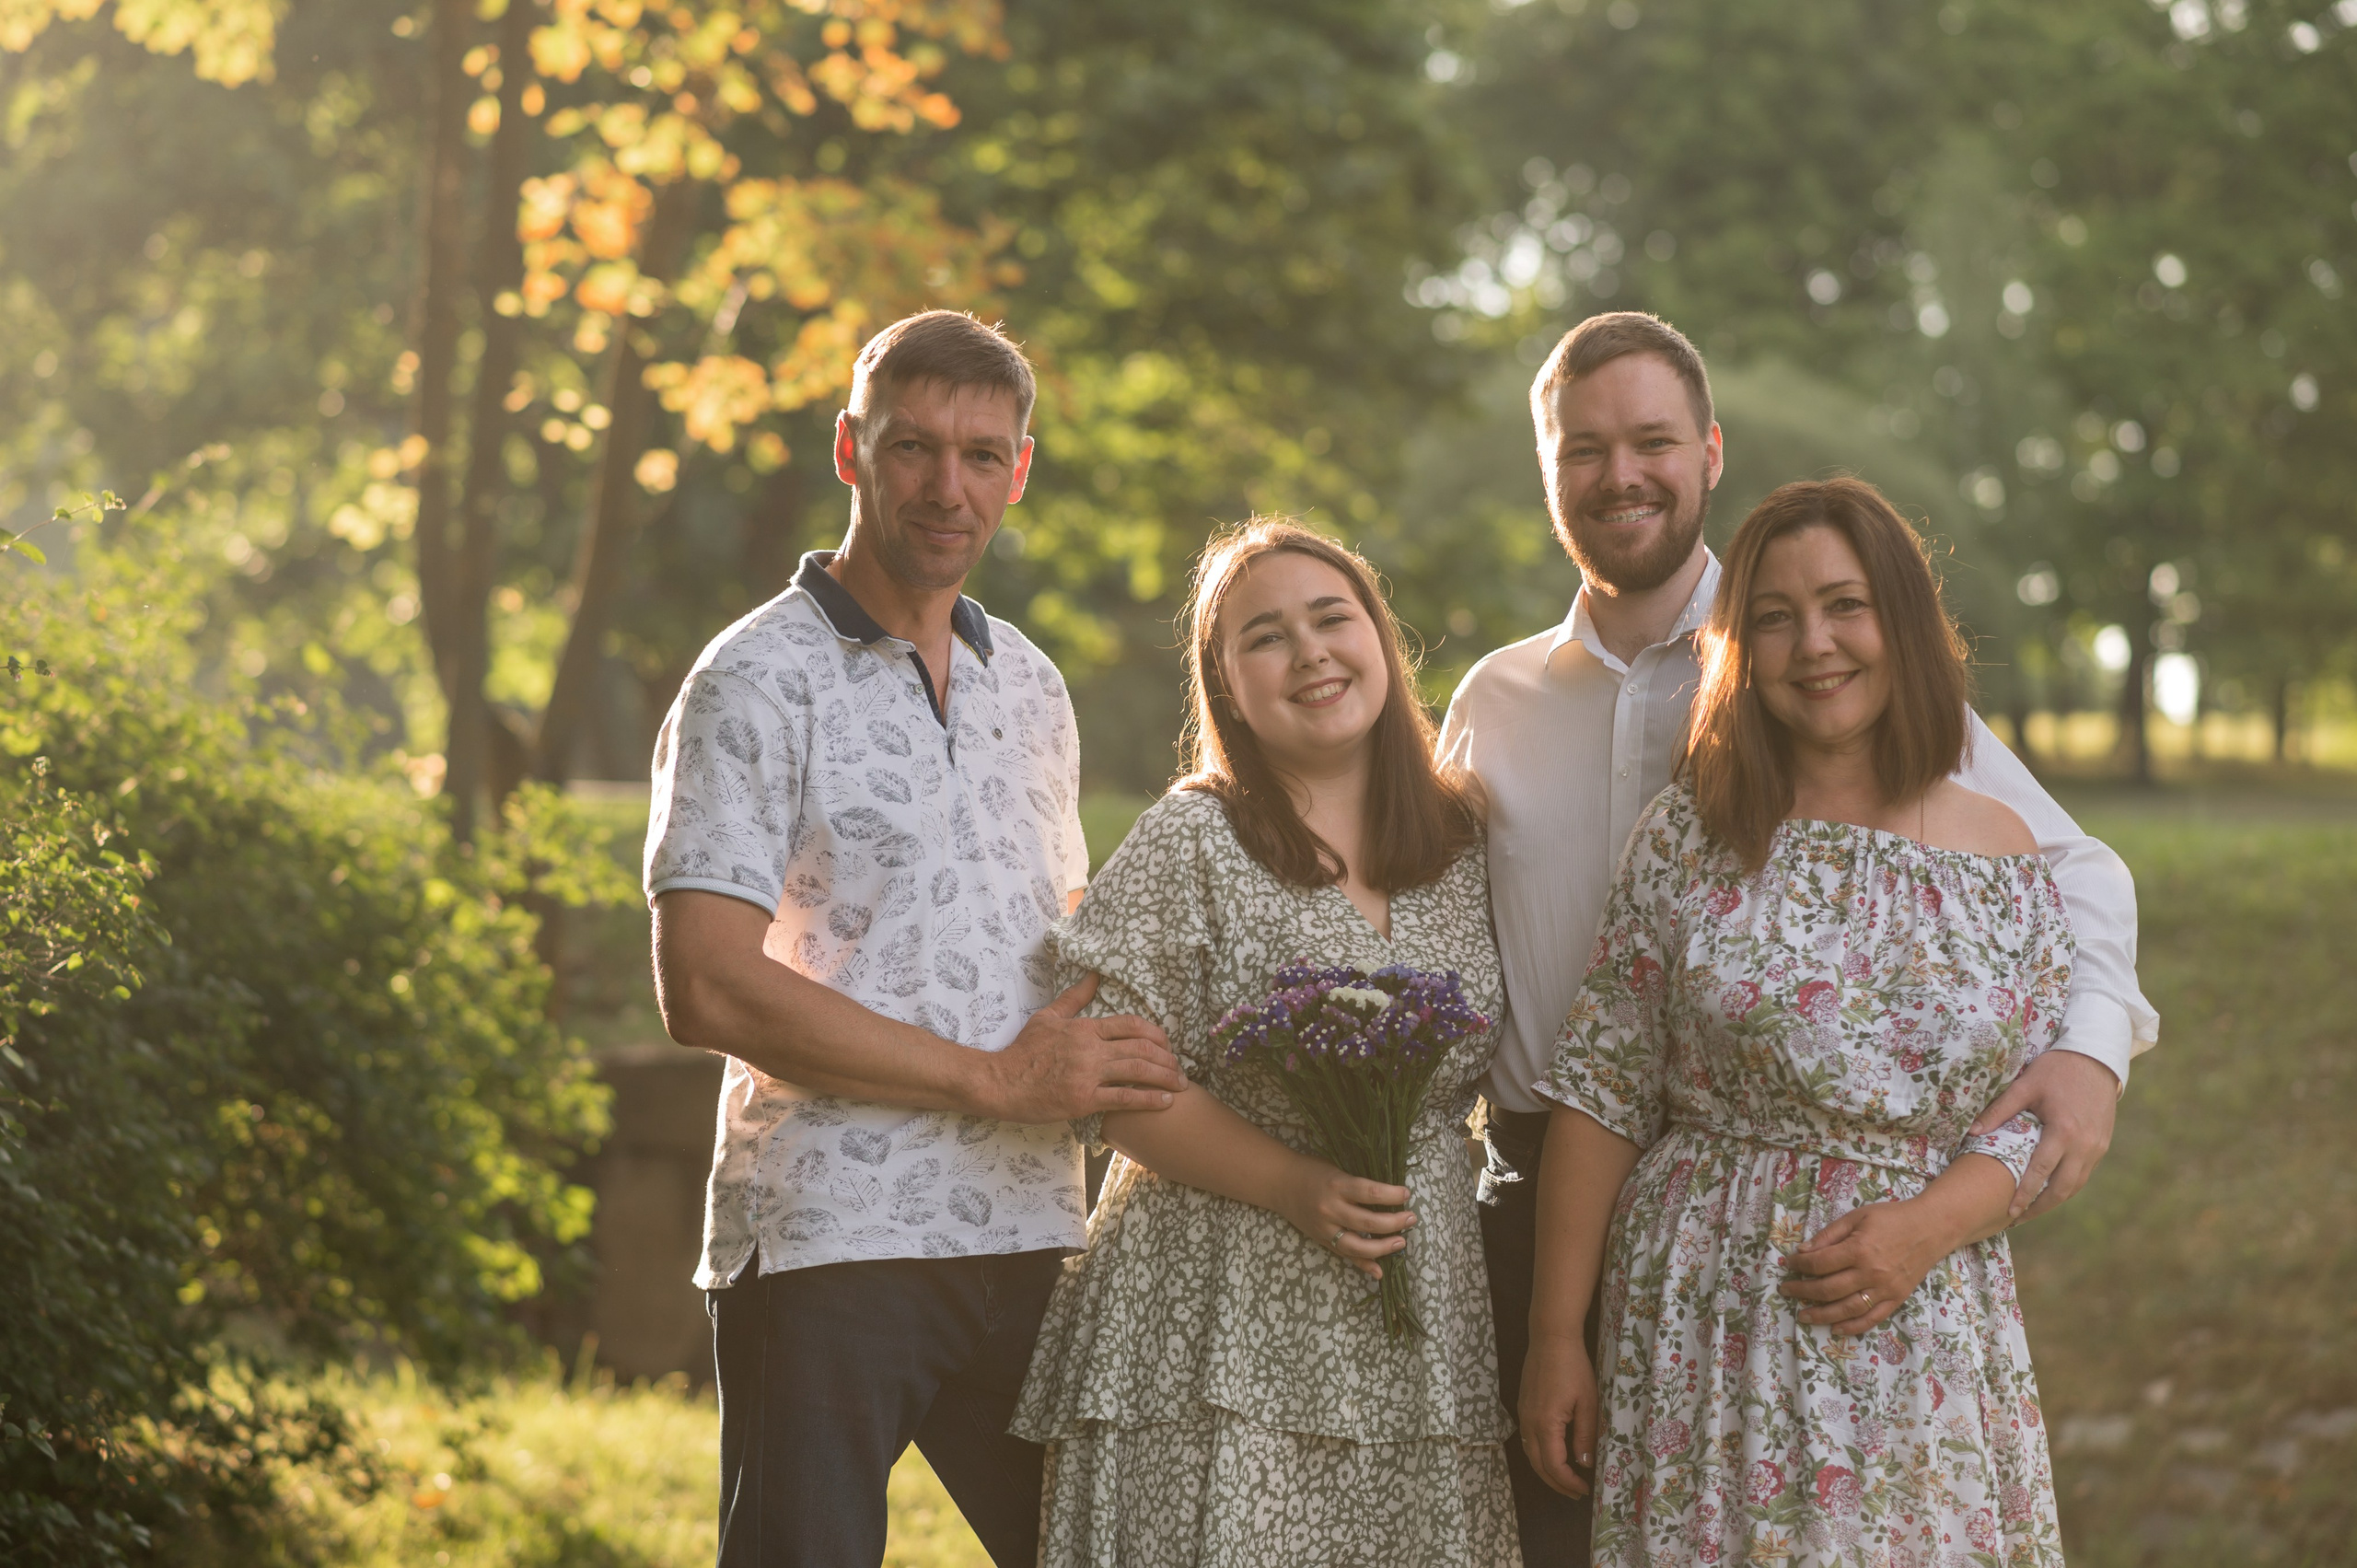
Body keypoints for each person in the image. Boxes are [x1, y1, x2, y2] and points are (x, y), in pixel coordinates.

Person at [1436, 311, 2155, 1562]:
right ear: (1547, 470)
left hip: (1897, 1278)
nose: (1622, 473)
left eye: (1653, 438)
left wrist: (2091, 1051)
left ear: (1709, 450)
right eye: (1586, 448)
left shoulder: (1875, 706)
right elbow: (1504, 981)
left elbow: (2073, 873)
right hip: (1583, 1205)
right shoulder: (1496, 703)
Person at [642, 309, 1187, 1568]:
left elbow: (1050, 943)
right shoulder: (751, 679)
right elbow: (708, 985)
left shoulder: (1032, 685)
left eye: (983, 454)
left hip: (1034, 1229)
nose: (950, 486)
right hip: (835, 1235)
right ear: (850, 449)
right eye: (914, 447)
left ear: (1020, 468)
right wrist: (993, 1076)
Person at [1520, 477, 2074, 1564]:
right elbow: (1601, 1088)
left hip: (1919, 1314)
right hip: (1702, 1319)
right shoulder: (1690, 834)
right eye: (1772, 617)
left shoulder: (2005, 854)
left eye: (1844, 605)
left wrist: (1926, 1228)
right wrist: (1553, 1339)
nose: (1812, 642)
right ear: (1741, 647)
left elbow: (2033, 1114)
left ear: (1902, 623)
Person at [1011, 519, 1523, 1566]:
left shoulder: (1467, 840)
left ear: (1380, 636)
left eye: (1332, 617)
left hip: (1422, 1317)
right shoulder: (1193, 836)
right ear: (1226, 688)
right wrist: (1292, 1182)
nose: (1311, 653)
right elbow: (1109, 1080)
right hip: (1217, 1314)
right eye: (1266, 637)